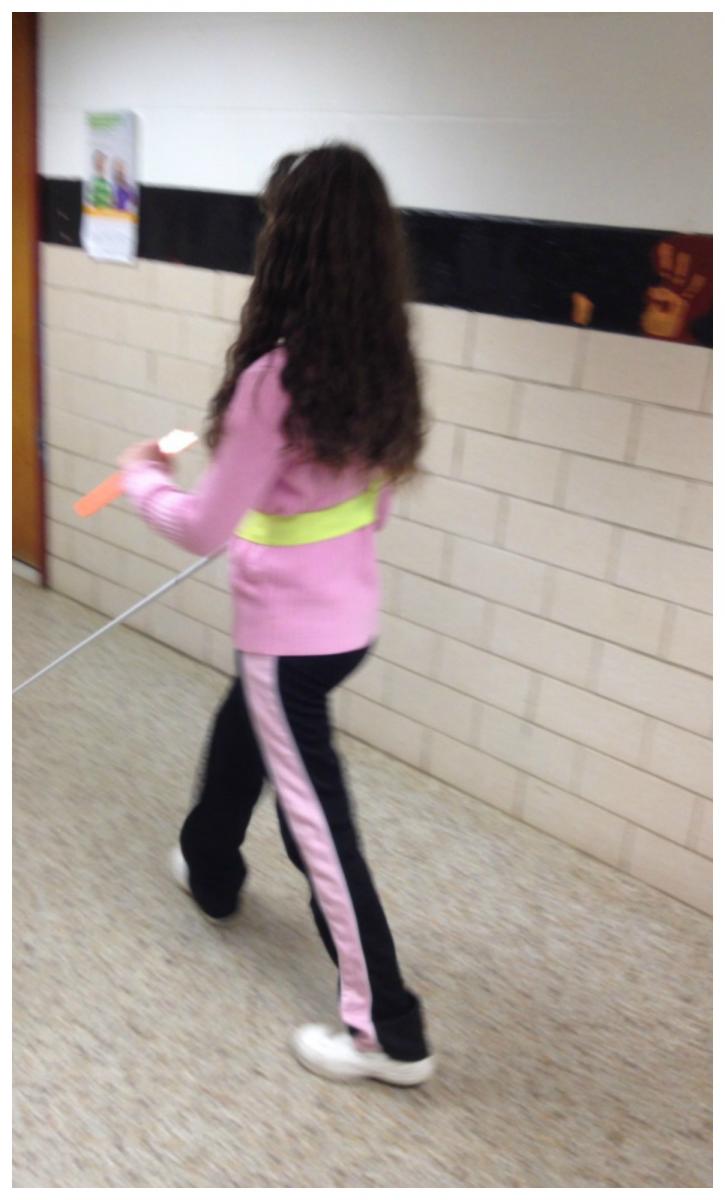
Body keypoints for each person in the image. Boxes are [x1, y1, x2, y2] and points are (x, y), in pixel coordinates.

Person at [119, 144, 434, 1087]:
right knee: (244, 729)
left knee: (316, 826)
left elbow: (203, 526)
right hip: (345, 623)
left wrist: (141, 480)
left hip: (289, 639)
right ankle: (210, 864)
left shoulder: (275, 377)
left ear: (288, 243)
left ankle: (390, 1031)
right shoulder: (380, 360)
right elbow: (366, 505)